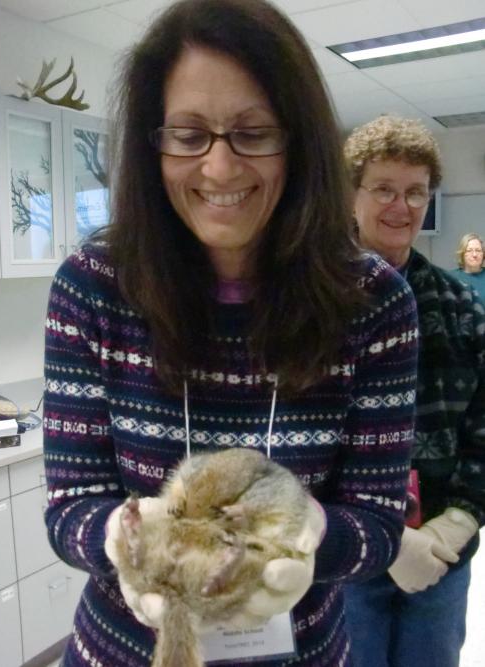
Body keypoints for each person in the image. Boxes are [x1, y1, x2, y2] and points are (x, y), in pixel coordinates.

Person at [42, 3, 419, 666]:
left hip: (301, 651)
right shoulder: (93, 287)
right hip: (126, 650)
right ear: (152, 144)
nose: (218, 168)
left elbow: (381, 527)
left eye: (253, 133)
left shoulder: (375, 305)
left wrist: (311, 537)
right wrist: (127, 541)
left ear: (299, 141)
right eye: (188, 135)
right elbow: (69, 507)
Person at [343, 114, 485, 667]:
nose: (400, 207)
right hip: (348, 553)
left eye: (415, 193)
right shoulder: (311, 307)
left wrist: (462, 518)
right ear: (352, 196)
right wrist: (380, 535)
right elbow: (288, 432)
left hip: (441, 555)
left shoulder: (460, 307)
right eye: (383, 189)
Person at [452, 232, 485, 302]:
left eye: (478, 250)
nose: (474, 255)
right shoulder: (451, 278)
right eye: (469, 251)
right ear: (462, 254)